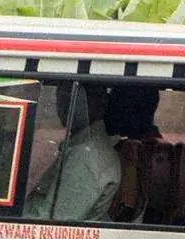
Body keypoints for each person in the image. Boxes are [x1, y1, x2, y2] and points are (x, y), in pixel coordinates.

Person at [24, 85, 119, 222]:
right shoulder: (85, 147)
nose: (63, 104)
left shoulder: (85, 157)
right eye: (60, 96)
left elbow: (52, 227)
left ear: (99, 103)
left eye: (73, 96)